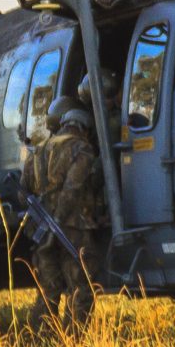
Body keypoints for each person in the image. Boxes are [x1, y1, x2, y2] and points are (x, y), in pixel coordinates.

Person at [22, 95, 107, 334]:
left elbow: (22, 192)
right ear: (85, 129)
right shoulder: (82, 148)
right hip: (72, 229)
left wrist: (43, 216)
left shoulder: (37, 152)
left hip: (41, 230)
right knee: (80, 287)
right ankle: (73, 339)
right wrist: (58, 219)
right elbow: (73, 187)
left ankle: (41, 338)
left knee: (48, 289)